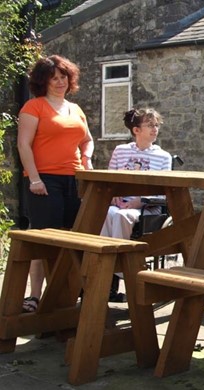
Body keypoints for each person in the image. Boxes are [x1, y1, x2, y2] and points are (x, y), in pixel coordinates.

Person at [17, 55, 94, 313]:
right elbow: (23, 144)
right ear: (43, 82)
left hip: (74, 179)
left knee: (72, 236)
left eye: (63, 77)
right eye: (53, 78)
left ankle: (66, 293)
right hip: (44, 180)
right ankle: (35, 295)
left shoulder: (75, 109)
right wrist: (35, 178)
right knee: (43, 239)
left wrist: (87, 158)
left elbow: (87, 140)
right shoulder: (34, 107)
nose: (59, 82)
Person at [100, 108, 172, 302]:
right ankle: (106, 268)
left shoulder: (163, 157)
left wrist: (139, 201)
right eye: (149, 125)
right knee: (107, 213)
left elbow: (165, 193)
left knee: (121, 216)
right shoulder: (121, 151)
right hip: (120, 203)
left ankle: (118, 268)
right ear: (136, 130)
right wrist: (114, 195)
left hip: (146, 208)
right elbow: (109, 180)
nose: (155, 129)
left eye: (156, 125)